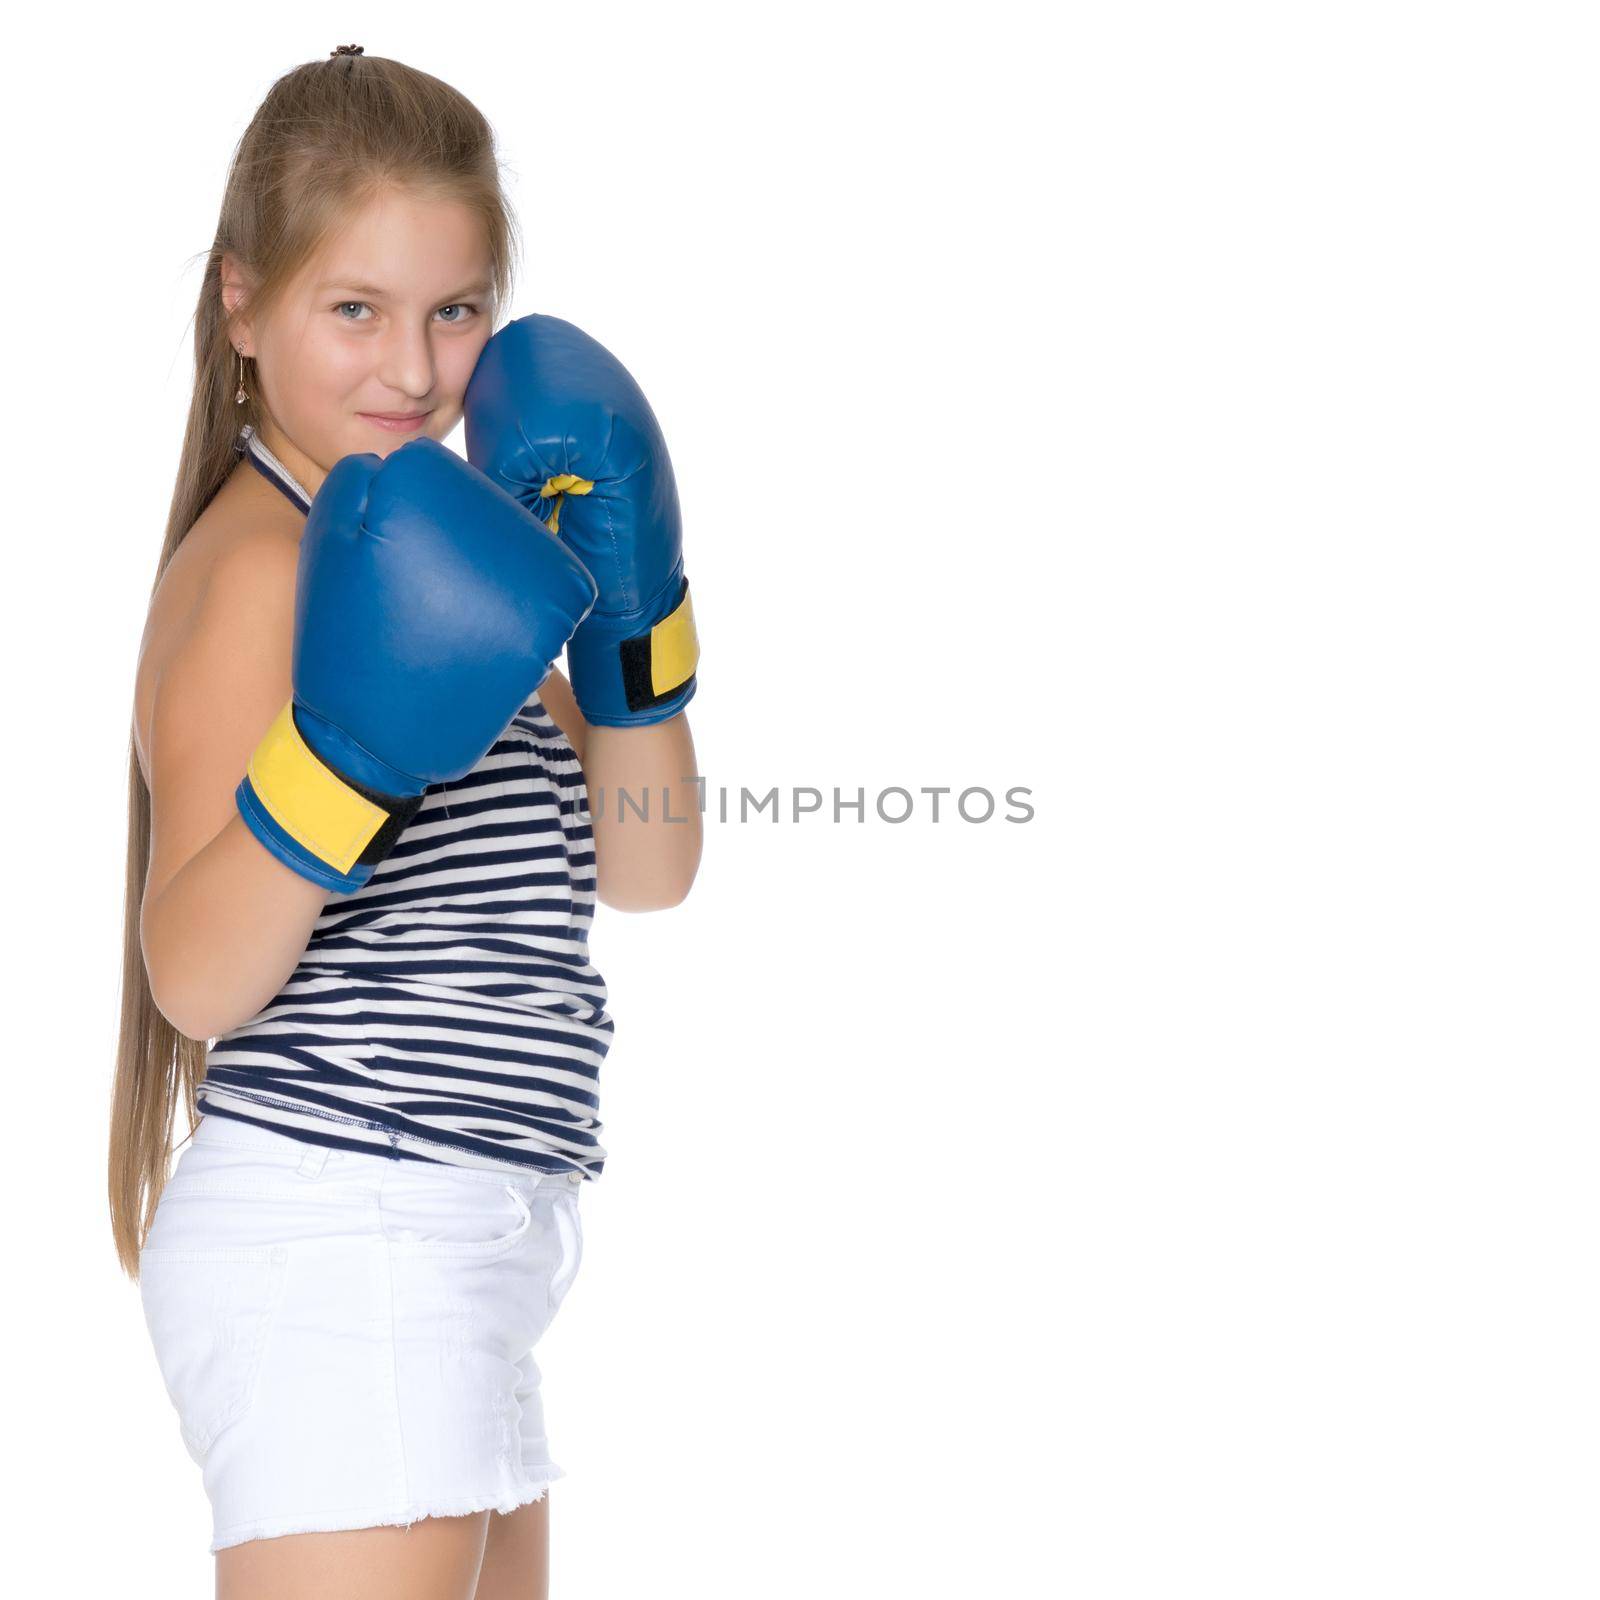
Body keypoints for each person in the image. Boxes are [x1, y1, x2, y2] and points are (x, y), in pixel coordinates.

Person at [109, 44, 702, 1600]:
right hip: (345, 1225)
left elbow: (646, 868)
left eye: (455, 310)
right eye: (354, 309)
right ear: (243, 304)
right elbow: (194, 974)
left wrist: (631, 628)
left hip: (464, 1238)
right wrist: (348, 755)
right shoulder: (262, 571)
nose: (414, 371)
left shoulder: (450, 565)